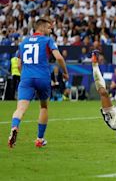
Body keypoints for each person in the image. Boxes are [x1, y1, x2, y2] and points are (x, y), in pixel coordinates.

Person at [8, 18, 69, 148]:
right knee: (43, 107)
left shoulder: (23, 42)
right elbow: (58, 57)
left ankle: (14, 127)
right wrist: (65, 72)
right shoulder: (48, 40)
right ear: (41, 28)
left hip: (26, 78)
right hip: (42, 77)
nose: (50, 30)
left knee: (20, 108)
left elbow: (19, 65)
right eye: (49, 27)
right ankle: (39, 139)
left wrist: (26, 74)